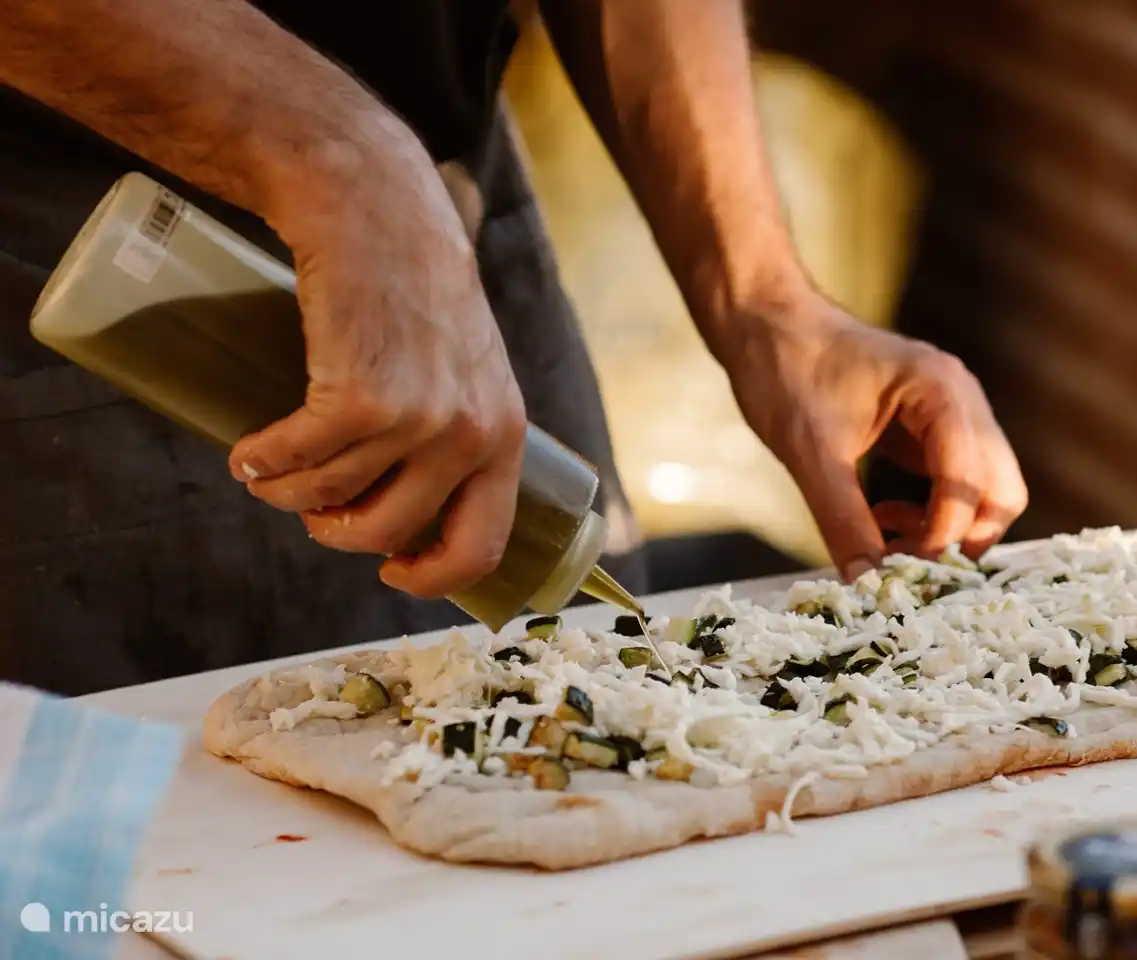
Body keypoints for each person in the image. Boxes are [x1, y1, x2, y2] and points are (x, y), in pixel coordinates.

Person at [0, 0, 1028, 697]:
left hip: (444, 197)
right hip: (70, 246)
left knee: (616, 753)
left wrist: (763, 298)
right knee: (126, 894)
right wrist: (339, 162)